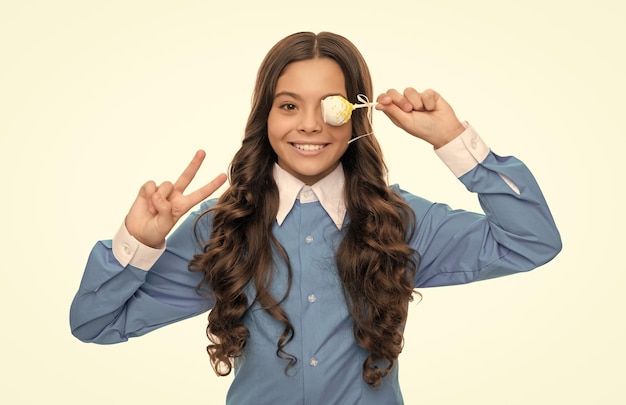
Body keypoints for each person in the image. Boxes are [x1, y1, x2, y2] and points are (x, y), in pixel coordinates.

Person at [70, 31, 562, 404]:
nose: (308, 124)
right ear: (265, 117)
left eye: (330, 107)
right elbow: (94, 323)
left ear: (356, 117)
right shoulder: (219, 229)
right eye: (288, 105)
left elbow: (531, 241)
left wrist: (452, 140)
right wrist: (137, 243)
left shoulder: (402, 222)